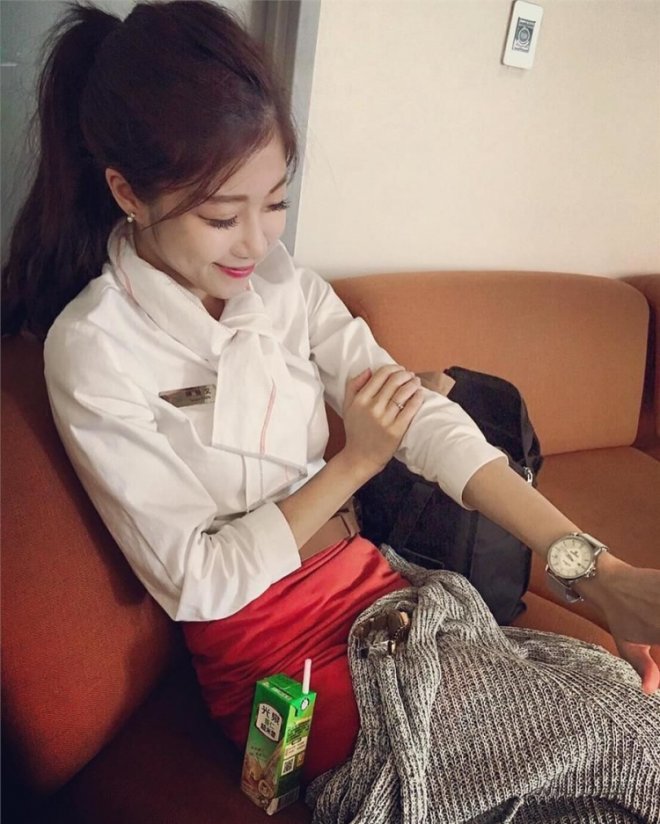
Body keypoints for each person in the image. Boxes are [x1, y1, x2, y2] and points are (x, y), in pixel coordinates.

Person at [2, 0, 659, 792]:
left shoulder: (285, 288)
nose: (258, 242)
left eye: (275, 202)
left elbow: (428, 426)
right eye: (221, 216)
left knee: (619, 706)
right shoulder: (94, 347)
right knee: (627, 752)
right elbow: (197, 583)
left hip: (376, 590)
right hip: (278, 657)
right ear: (128, 193)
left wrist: (598, 572)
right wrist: (354, 464)